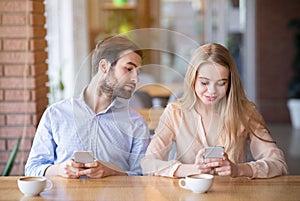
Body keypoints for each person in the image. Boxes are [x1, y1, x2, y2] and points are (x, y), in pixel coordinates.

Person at [141, 43, 288, 179]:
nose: (212, 91)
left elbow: (278, 163)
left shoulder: (245, 112)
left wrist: (239, 170)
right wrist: (193, 169)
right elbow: (148, 164)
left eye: (221, 83)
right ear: (193, 79)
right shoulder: (175, 112)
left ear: (230, 82)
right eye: (204, 83)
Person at [25, 35, 150, 178]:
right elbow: (32, 169)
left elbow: (142, 176)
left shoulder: (136, 122)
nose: (136, 79)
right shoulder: (56, 114)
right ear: (104, 66)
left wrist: (112, 172)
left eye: (138, 72)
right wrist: (59, 170)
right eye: (129, 69)